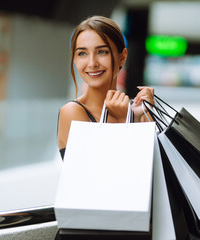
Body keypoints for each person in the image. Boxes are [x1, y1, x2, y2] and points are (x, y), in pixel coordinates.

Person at [57, 16, 154, 159]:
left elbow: (149, 171)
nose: (92, 63)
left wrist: (147, 117)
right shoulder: (73, 112)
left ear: (122, 57)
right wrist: (124, 121)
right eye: (82, 53)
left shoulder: (138, 109)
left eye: (102, 51)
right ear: (75, 60)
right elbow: (97, 175)